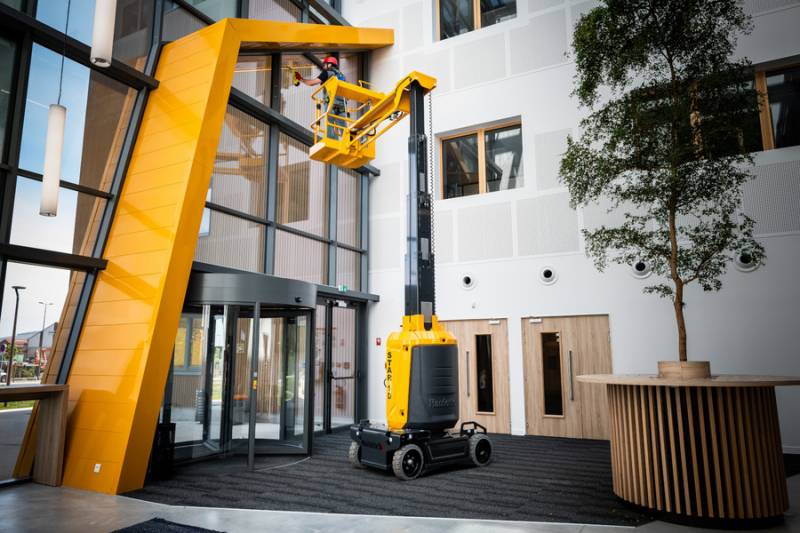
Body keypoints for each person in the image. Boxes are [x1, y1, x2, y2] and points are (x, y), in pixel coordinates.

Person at [294, 56, 347, 139]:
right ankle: (349, 142)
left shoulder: (327, 73)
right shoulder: (342, 76)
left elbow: (312, 83)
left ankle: (332, 142)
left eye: (325, 65)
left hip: (331, 102)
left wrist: (301, 79)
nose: (323, 67)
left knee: (330, 123)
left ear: (329, 64)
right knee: (344, 127)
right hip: (342, 104)